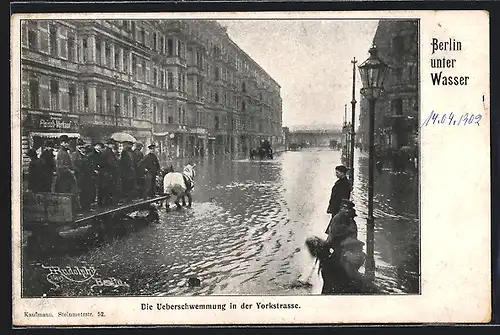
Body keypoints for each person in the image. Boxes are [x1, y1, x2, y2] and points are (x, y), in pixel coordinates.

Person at [326, 165, 352, 233]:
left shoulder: (344, 184)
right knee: (333, 227)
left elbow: (342, 197)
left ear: (342, 173)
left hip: (338, 209)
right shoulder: (341, 182)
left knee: (335, 227)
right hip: (337, 208)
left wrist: (337, 208)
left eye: (337, 173)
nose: (336, 174)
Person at [54, 135, 79, 201]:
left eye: (67, 143)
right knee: (66, 194)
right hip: (64, 177)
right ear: (62, 143)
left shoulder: (65, 152)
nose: (67, 144)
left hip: (67, 176)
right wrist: (70, 171)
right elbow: (61, 166)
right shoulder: (61, 152)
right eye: (66, 143)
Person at [80, 143, 103, 211]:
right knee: (87, 191)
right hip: (87, 176)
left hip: (88, 176)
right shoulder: (90, 156)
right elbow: (89, 167)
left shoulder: (90, 156)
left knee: (89, 191)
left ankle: (87, 206)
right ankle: (86, 207)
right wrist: (94, 171)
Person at [99, 138, 119, 206]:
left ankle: (103, 202)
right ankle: (106, 203)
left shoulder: (106, 151)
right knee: (107, 188)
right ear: (109, 145)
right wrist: (116, 165)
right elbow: (111, 163)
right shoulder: (108, 152)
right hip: (108, 172)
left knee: (104, 188)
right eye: (112, 144)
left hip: (104, 172)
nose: (113, 145)